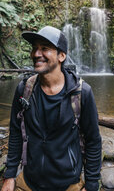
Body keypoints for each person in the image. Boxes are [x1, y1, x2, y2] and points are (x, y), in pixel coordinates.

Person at [2, 26, 102, 191]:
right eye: (35, 48)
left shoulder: (82, 93)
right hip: (29, 182)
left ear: (62, 56)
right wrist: (10, 175)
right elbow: (16, 133)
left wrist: (91, 185)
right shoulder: (24, 90)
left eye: (44, 49)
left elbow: (93, 141)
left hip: (68, 184)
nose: (36, 54)